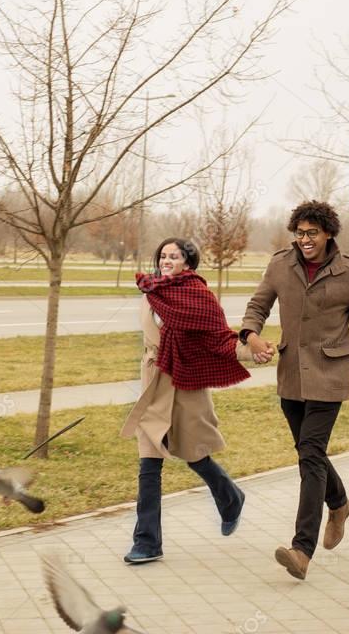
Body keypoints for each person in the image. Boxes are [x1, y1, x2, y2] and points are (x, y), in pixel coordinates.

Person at [240, 200, 349, 580]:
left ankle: (301, 550)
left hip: (330, 376)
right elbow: (258, 304)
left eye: (312, 232)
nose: (304, 239)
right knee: (308, 451)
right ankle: (340, 504)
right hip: (291, 376)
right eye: (299, 233)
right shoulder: (281, 264)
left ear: (328, 232)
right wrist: (250, 335)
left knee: (310, 455)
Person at [120, 237, 254, 564]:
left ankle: (230, 497)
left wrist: (251, 351)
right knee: (148, 462)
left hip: (186, 383)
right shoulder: (152, 291)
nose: (166, 261)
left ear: (188, 263)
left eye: (174, 256)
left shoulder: (199, 296)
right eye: (163, 255)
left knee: (194, 454)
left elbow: (221, 338)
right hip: (155, 384)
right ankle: (147, 542)